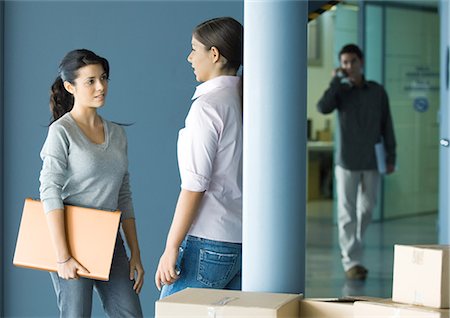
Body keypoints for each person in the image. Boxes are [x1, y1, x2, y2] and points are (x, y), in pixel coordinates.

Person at [39, 49, 144, 317]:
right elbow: (49, 191)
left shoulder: (118, 134)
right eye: (91, 81)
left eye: (104, 78)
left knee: (130, 313)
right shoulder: (61, 132)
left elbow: (124, 196)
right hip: (71, 237)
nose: (101, 87)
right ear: (69, 86)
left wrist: (135, 253)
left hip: (110, 237)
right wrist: (62, 256)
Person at [155, 17, 243, 298]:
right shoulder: (246, 102)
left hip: (207, 242)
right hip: (242, 243)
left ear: (214, 54)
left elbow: (195, 185)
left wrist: (171, 247)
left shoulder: (207, 107)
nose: (190, 57)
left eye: (195, 49)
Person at [317, 44, 396, 280]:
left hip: (372, 160)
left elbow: (387, 125)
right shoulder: (340, 92)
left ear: (361, 62)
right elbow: (322, 107)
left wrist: (391, 156)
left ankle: (356, 246)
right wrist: (334, 82)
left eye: (352, 61)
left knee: (367, 208)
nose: (348, 66)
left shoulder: (378, 91)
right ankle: (351, 260)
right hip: (347, 161)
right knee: (346, 213)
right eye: (344, 62)